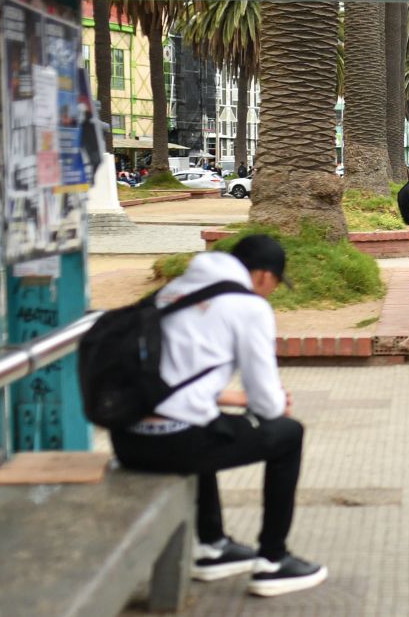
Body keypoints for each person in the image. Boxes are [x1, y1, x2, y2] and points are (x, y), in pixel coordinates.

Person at [109, 234, 328, 598]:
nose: (272, 292)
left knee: (206, 419)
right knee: (288, 434)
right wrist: (270, 403)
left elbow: (171, 377)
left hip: (127, 440)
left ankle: (211, 546)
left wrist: (235, 399)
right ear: (262, 276)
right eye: (276, 283)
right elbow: (268, 405)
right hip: (172, 444)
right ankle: (273, 561)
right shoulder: (247, 306)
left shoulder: (176, 290)